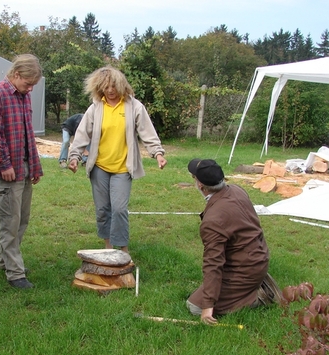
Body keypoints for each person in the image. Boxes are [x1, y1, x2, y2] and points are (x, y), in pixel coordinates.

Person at [68, 66, 167, 254]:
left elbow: (148, 132)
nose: (110, 90)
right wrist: (74, 156)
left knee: (120, 209)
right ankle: (108, 247)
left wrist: (158, 153)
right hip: (99, 167)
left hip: (123, 167)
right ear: (99, 88)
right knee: (103, 209)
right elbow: (82, 135)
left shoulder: (134, 106)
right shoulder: (96, 107)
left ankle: (123, 249)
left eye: (113, 86)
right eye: (106, 87)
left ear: (121, 85)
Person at [185, 158, 282, 325]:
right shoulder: (237, 190)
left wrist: (208, 306)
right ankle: (254, 282)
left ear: (200, 185)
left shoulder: (213, 221)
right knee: (204, 292)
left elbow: (213, 262)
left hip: (245, 269)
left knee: (194, 306)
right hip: (258, 256)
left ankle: (258, 295)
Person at [0, 54, 43, 289]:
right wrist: (4, 164)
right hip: (7, 169)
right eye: (28, 83)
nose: (30, 89)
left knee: (21, 220)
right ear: (16, 74)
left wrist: (35, 167)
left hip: (25, 167)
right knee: (9, 221)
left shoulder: (23, 96)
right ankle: (15, 273)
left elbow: (28, 134)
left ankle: (3, 261)